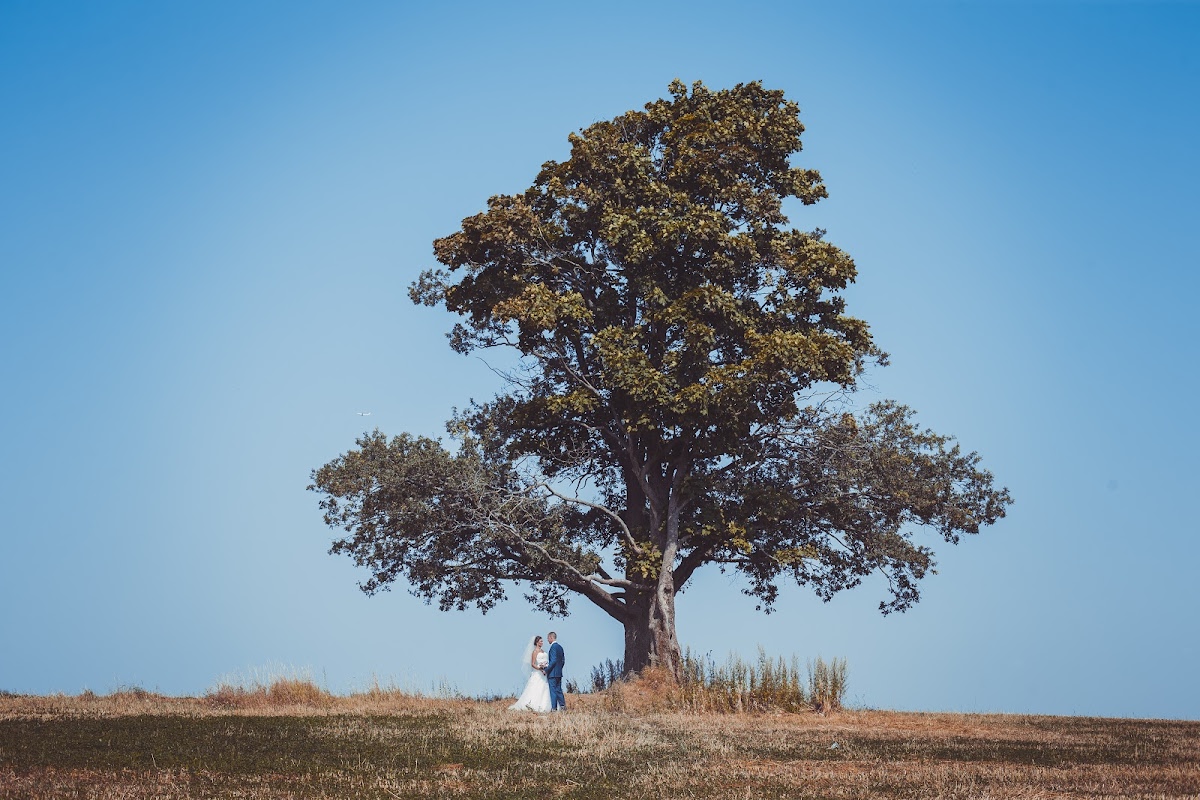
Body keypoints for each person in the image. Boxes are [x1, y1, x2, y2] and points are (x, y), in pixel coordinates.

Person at [508, 635, 551, 712]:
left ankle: (545, 705)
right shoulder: (534, 652)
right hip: (538, 673)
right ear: (537, 642)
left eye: (542, 641)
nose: (542, 642)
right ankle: (533, 704)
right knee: (536, 688)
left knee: (545, 688)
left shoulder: (543, 651)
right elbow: (533, 664)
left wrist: (546, 667)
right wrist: (540, 668)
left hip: (545, 673)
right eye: (540, 641)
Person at [545, 631, 565, 712]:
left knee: (553, 691)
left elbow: (553, 661)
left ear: (551, 637)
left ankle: (554, 708)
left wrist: (546, 670)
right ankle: (563, 706)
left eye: (548, 638)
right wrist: (559, 669)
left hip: (552, 673)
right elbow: (563, 661)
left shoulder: (553, 647)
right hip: (559, 673)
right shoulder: (560, 647)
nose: (547, 640)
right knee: (559, 690)